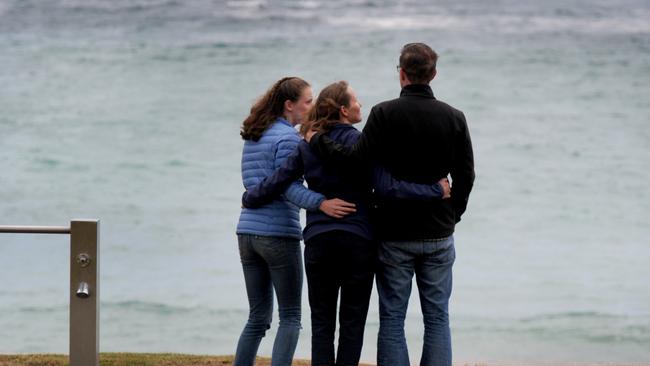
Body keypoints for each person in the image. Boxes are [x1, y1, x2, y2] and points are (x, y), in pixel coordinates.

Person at [242, 80, 451, 366]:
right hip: (358, 243)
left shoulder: (308, 144)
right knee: (352, 325)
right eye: (356, 101)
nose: (360, 105)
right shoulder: (363, 145)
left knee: (322, 326)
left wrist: (250, 197)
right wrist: (435, 191)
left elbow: (279, 179)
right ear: (343, 109)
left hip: (319, 242)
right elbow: (389, 188)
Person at [307, 44, 475, 366]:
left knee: (393, 318)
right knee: (437, 318)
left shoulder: (384, 114)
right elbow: (466, 176)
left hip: (394, 234)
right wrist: (453, 215)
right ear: (433, 74)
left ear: (401, 73)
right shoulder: (455, 117)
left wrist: (317, 139)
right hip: (439, 232)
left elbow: (356, 161)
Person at [234, 77, 357, 366]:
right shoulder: (289, 138)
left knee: (257, 317)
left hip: (247, 232)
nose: (312, 106)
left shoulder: (255, 134)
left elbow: (254, 184)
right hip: (278, 233)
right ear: (289, 105)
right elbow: (287, 187)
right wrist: (321, 203)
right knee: (290, 317)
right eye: (308, 101)